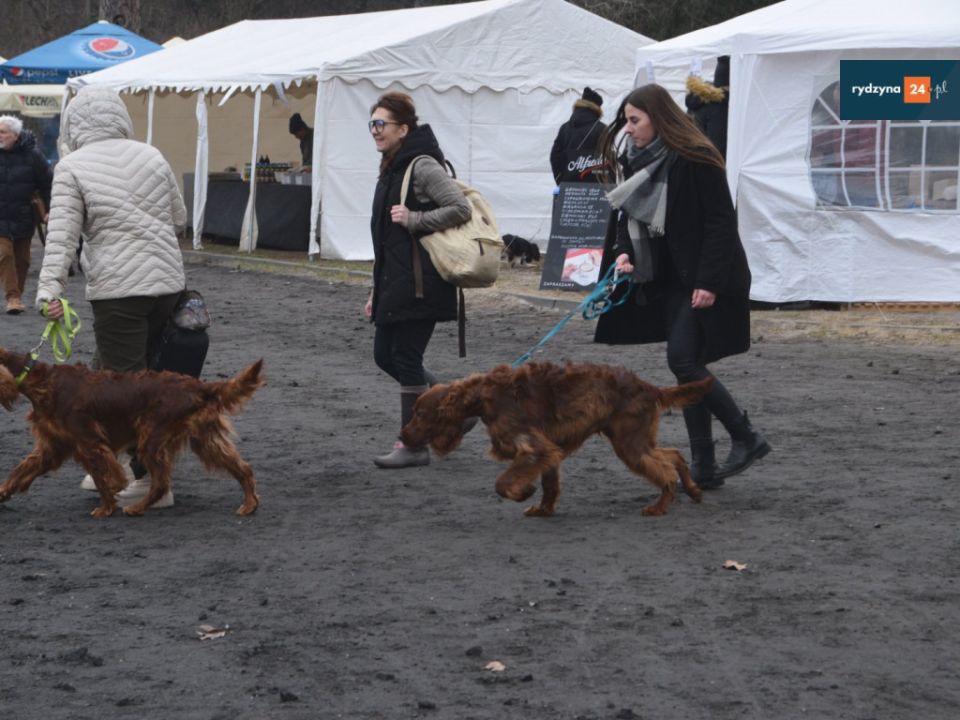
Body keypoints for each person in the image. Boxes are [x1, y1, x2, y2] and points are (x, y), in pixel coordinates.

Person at [593, 84, 770, 489]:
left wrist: (709, 282)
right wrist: (625, 254)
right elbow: (627, 218)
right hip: (669, 281)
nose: (628, 129)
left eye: (635, 120)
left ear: (657, 118)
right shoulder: (636, 160)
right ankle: (704, 465)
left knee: (683, 361)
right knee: (685, 365)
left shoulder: (696, 157)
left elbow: (721, 223)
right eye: (627, 121)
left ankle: (746, 436)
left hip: (705, 277)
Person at [35, 84, 188, 508]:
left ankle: (151, 481)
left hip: (119, 290)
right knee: (107, 372)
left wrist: (49, 289)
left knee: (126, 390)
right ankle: (107, 463)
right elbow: (179, 216)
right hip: (167, 283)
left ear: (73, 124)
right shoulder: (151, 154)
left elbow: (61, 237)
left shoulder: (72, 166)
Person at [365, 91, 472, 469]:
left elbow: (460, 208)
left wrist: (415, 219)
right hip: (395, 281)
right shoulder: (391, 166)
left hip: (422, 282)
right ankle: (457, 407)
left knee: (406, 358)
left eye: (382, 123)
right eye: (372, 124)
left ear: (403, 129)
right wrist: (376, 289)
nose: (375, 130)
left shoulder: (422, 166)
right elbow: (385, 239)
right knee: (384, 355)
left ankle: (412, 445)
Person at [0, 115, 52, 315]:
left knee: (23, 259)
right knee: (4, 254)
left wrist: (50, 209)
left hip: (24, 214)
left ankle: (17, 295)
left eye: (3, 132)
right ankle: (12, 297)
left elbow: (47, 184)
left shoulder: (33, 156)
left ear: (16, 135)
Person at [550, 87, 607, 184]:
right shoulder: (602, 129)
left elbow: (555, 156)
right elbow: (607, 159)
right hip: (594, 188)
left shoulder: (564, 128)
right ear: (597, 109)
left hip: (568, 187)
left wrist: (560, 179)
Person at [684, 55, 729, 159]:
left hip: (691, 157)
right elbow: (718, 146)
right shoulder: (719, 107)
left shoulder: (698, 99)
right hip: (707, 162)